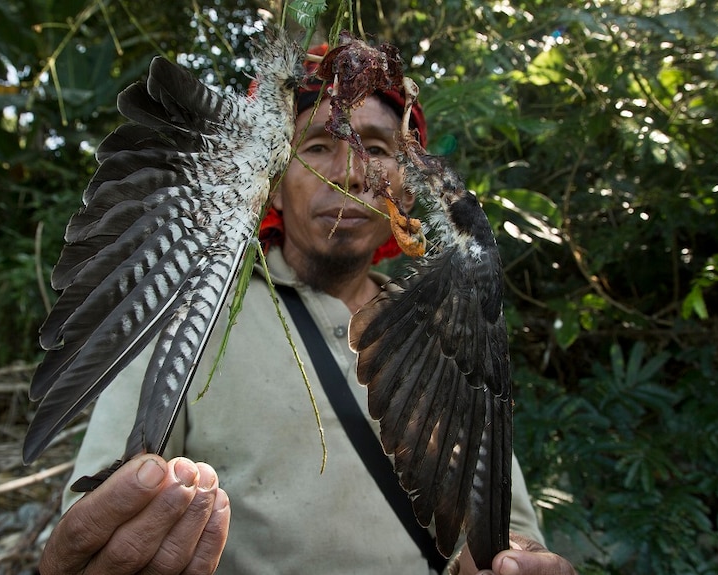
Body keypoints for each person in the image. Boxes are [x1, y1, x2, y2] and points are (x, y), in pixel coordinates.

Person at [39, 47, 577, 575]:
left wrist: (506, 559)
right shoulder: (185, 312)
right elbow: (98, 521)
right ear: (270, 185)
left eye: (376, 147)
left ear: (407, 192)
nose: (348, 172)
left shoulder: (454, 331)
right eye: (318, 146)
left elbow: (501, 526)